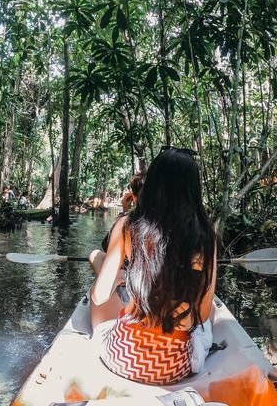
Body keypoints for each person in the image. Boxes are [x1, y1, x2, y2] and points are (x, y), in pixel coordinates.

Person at [88, 147, 217, 385]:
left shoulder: (128, 224)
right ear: (193, 189)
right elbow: (203, 314)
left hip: (123, 358)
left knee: (93, 294)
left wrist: (121, 278)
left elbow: (99, 296)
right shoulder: (205, 235)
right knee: (214, 313)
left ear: (154, 183)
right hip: (173, 367)